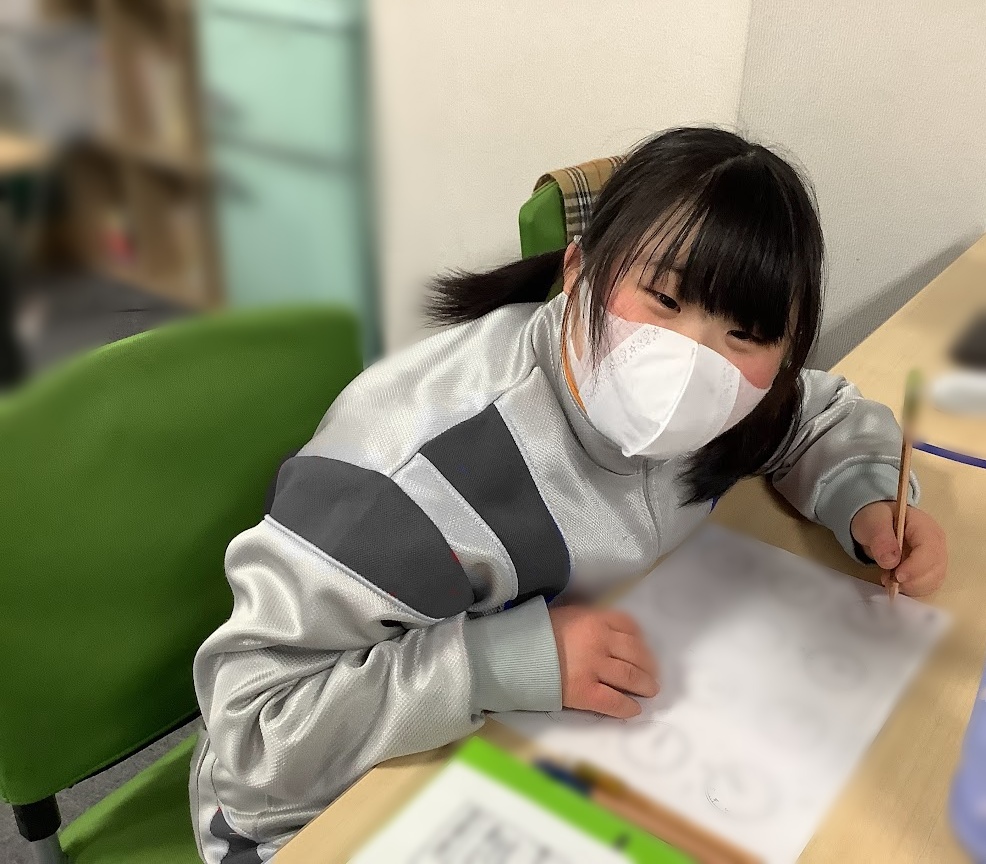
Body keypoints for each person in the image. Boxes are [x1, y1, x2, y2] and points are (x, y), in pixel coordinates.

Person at [189, 127, 948, 862]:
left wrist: (864, 497)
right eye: (664, 299)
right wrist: (503, 662)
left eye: (744, 335)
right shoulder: (412, 474)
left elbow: (813, 418)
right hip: (308, 816)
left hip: (549, 747)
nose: (692, 360)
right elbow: (255, 741)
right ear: (580, 269)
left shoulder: (735, 403)